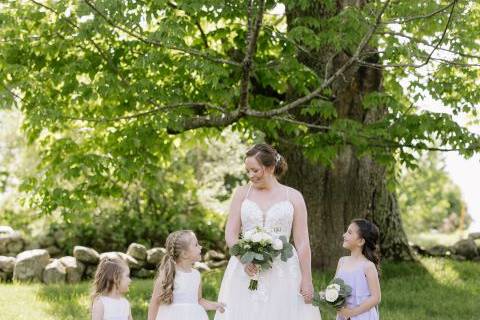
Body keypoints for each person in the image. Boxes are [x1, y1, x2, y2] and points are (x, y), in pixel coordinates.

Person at [215, 143, 321, 320]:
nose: (251, 176)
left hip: (283, 269)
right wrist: (243, 259)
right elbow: (230, 235)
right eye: (248, 171)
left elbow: (302, 243)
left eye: (255, 170)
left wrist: (307, 280)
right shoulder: (242, 194)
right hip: (246, 268)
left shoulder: (293, 196)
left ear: (271, 167)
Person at [148, 230, 226, 320]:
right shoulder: (168, 275)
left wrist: (214, 305)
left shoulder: (196, 275)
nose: (200, 247)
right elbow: (155, 302)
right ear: (185, 254)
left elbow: (198, 300)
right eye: (196, 245)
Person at [335, 219, 381, 320]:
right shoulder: (342, 261)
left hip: (363, 315)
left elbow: (376, 297)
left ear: (361, 241)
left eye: (349, 232)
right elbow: (335, 287)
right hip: (344, 315)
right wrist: (325, 295)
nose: (344, 235)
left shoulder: (368, 266)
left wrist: (352, 313)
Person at [91, 256, 133, 320]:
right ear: (116, 278)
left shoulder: (125, 304)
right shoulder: (101, 303)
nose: (130, 280)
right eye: (127, 276)